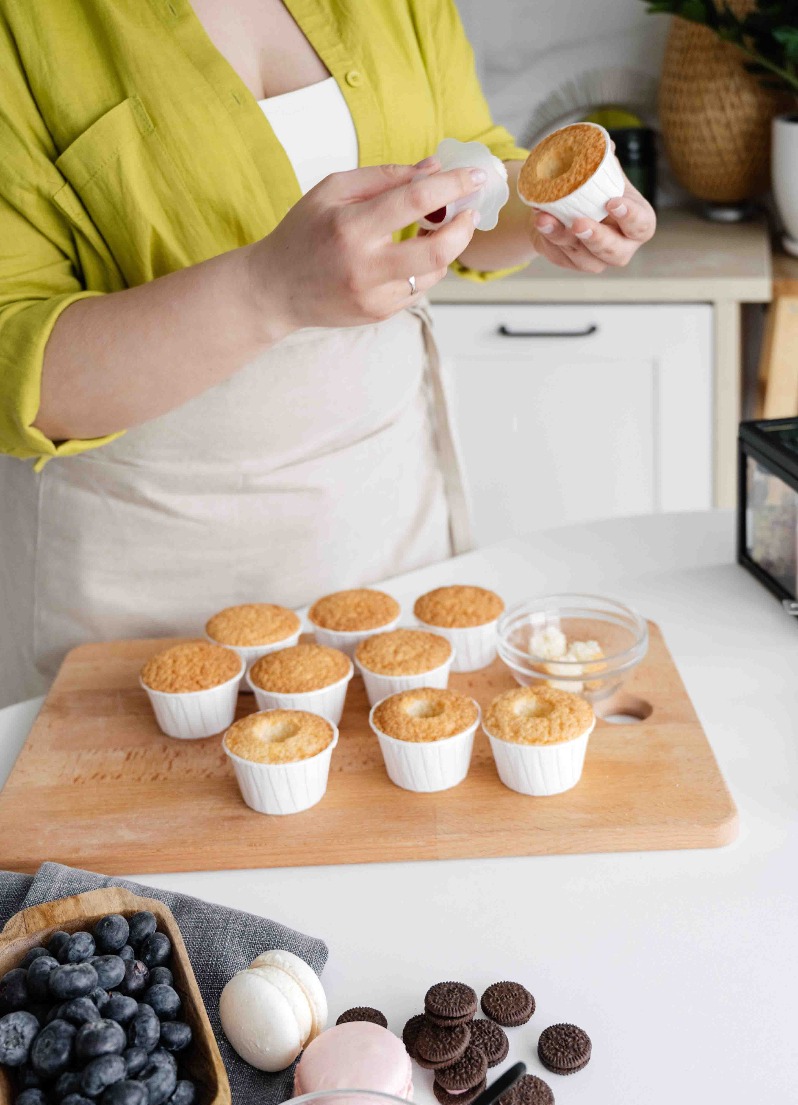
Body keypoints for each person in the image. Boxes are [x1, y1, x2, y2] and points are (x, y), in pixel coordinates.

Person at [0, 0, 656, 704]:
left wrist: (551, 217)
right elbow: (19, 363)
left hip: (384, 515)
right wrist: (265, 290)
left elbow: (473, 172)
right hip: (141, 560)